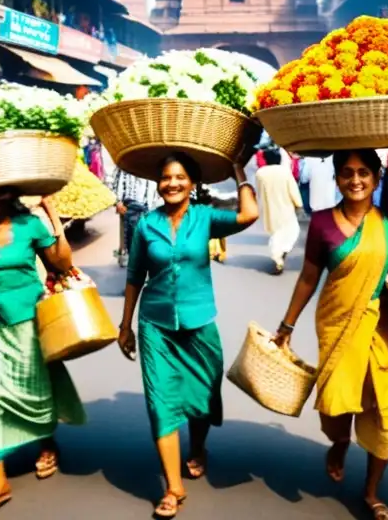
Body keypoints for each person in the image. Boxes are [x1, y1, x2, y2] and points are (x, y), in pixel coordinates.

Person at [273, 148, 388, 520]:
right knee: (336, 404)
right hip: (337, 326)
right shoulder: (322, 223)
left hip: (381, 329)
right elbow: (309, 278)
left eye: (364, 173)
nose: (355, 180)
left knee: (382, 412)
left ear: (377, 177)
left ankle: (371, 491)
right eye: (347, 173)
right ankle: (339, 443)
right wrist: (286, 325)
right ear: (336, 178)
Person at [118, 153, 258, 518]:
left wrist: (239, 172)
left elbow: (249, 215)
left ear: (192, 184)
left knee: (203, 396)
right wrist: (125, 326)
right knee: (160, 404)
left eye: (180, 177)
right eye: (166, 177)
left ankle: (198, 449)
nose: (172, 184)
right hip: (155, 325)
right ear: (158, 183)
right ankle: (173, 486)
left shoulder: (205, 218)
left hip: (199, 324)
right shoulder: (147, 225)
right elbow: (134, 277)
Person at [0, 189, 85, 518]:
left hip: (28, 317)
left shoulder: (29, 225)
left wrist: (51, 212)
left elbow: (63, 262)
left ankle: (46, 443)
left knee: (35, 387)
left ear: (6, 195)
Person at [255, 147, 304, 274]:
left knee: (276, 232)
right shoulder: (284, 172)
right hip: (285, 206)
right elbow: (292, 189)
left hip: (269, 207)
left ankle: (278, 255)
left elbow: (259, 192)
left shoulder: (260, 173)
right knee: (292, 231)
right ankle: (279, 257)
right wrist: (298, 203)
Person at [111, 162, 160, 268]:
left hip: (152, 206)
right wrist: (117, 201)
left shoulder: (154, 163)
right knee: (132, 241)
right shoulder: (124, 162)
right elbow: (113, 182)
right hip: (131, 206)